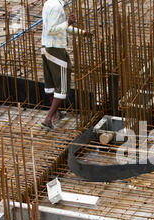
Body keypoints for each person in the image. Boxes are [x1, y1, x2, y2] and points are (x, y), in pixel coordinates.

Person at [41, 0, 86, 130]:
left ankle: (56, 113)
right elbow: (51, 30)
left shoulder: (49, 3)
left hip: (46, 47)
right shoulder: (56, 6)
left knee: (51, 83)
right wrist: (68, 22)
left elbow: (59, 27)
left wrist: (81, 33)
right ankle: (48, 119)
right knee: (62, 84)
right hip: (56, 49)